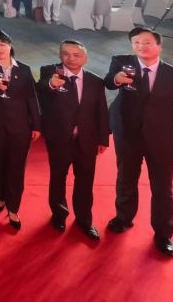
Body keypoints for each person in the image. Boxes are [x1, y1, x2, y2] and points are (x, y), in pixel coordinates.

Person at [105, 27, 173, 256]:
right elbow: (109, 82)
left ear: (159, 46)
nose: (141, 46)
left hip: (162, 138)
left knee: (162, 187)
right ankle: (123, 217)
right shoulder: (122, 62)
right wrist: (116, 78)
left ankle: (163, 233)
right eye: (136, 42)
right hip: (128, 133)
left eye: (147, 42)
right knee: (126, 178)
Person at [37, 40, 109, 239]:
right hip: (59, 138)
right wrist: (51, 84)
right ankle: (59, 215)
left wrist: (103, 139)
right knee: (58, 178)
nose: (71, 58)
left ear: (86, 58)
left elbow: (101, 111)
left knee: (85, 181)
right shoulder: (49, 72)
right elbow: (39, 90)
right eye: (66, 54)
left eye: (77, 55)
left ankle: (84, 220)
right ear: (60, 55)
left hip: (87, 140)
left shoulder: (95, 81)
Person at [0, 30, 40, 230]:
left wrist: (36, 125)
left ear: (10, 45)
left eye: (2, 44)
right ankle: (1, 197)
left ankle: (13, 207)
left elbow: (31, 97)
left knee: (16, 167)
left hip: (20, 125)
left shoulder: (24, 69)